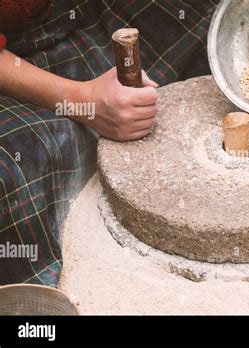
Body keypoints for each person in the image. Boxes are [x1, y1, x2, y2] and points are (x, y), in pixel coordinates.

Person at [0, 0, 219, 286]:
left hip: (77, 13)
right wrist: (83, 101)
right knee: (15, 170)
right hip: (13, 67)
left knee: (208, 20)